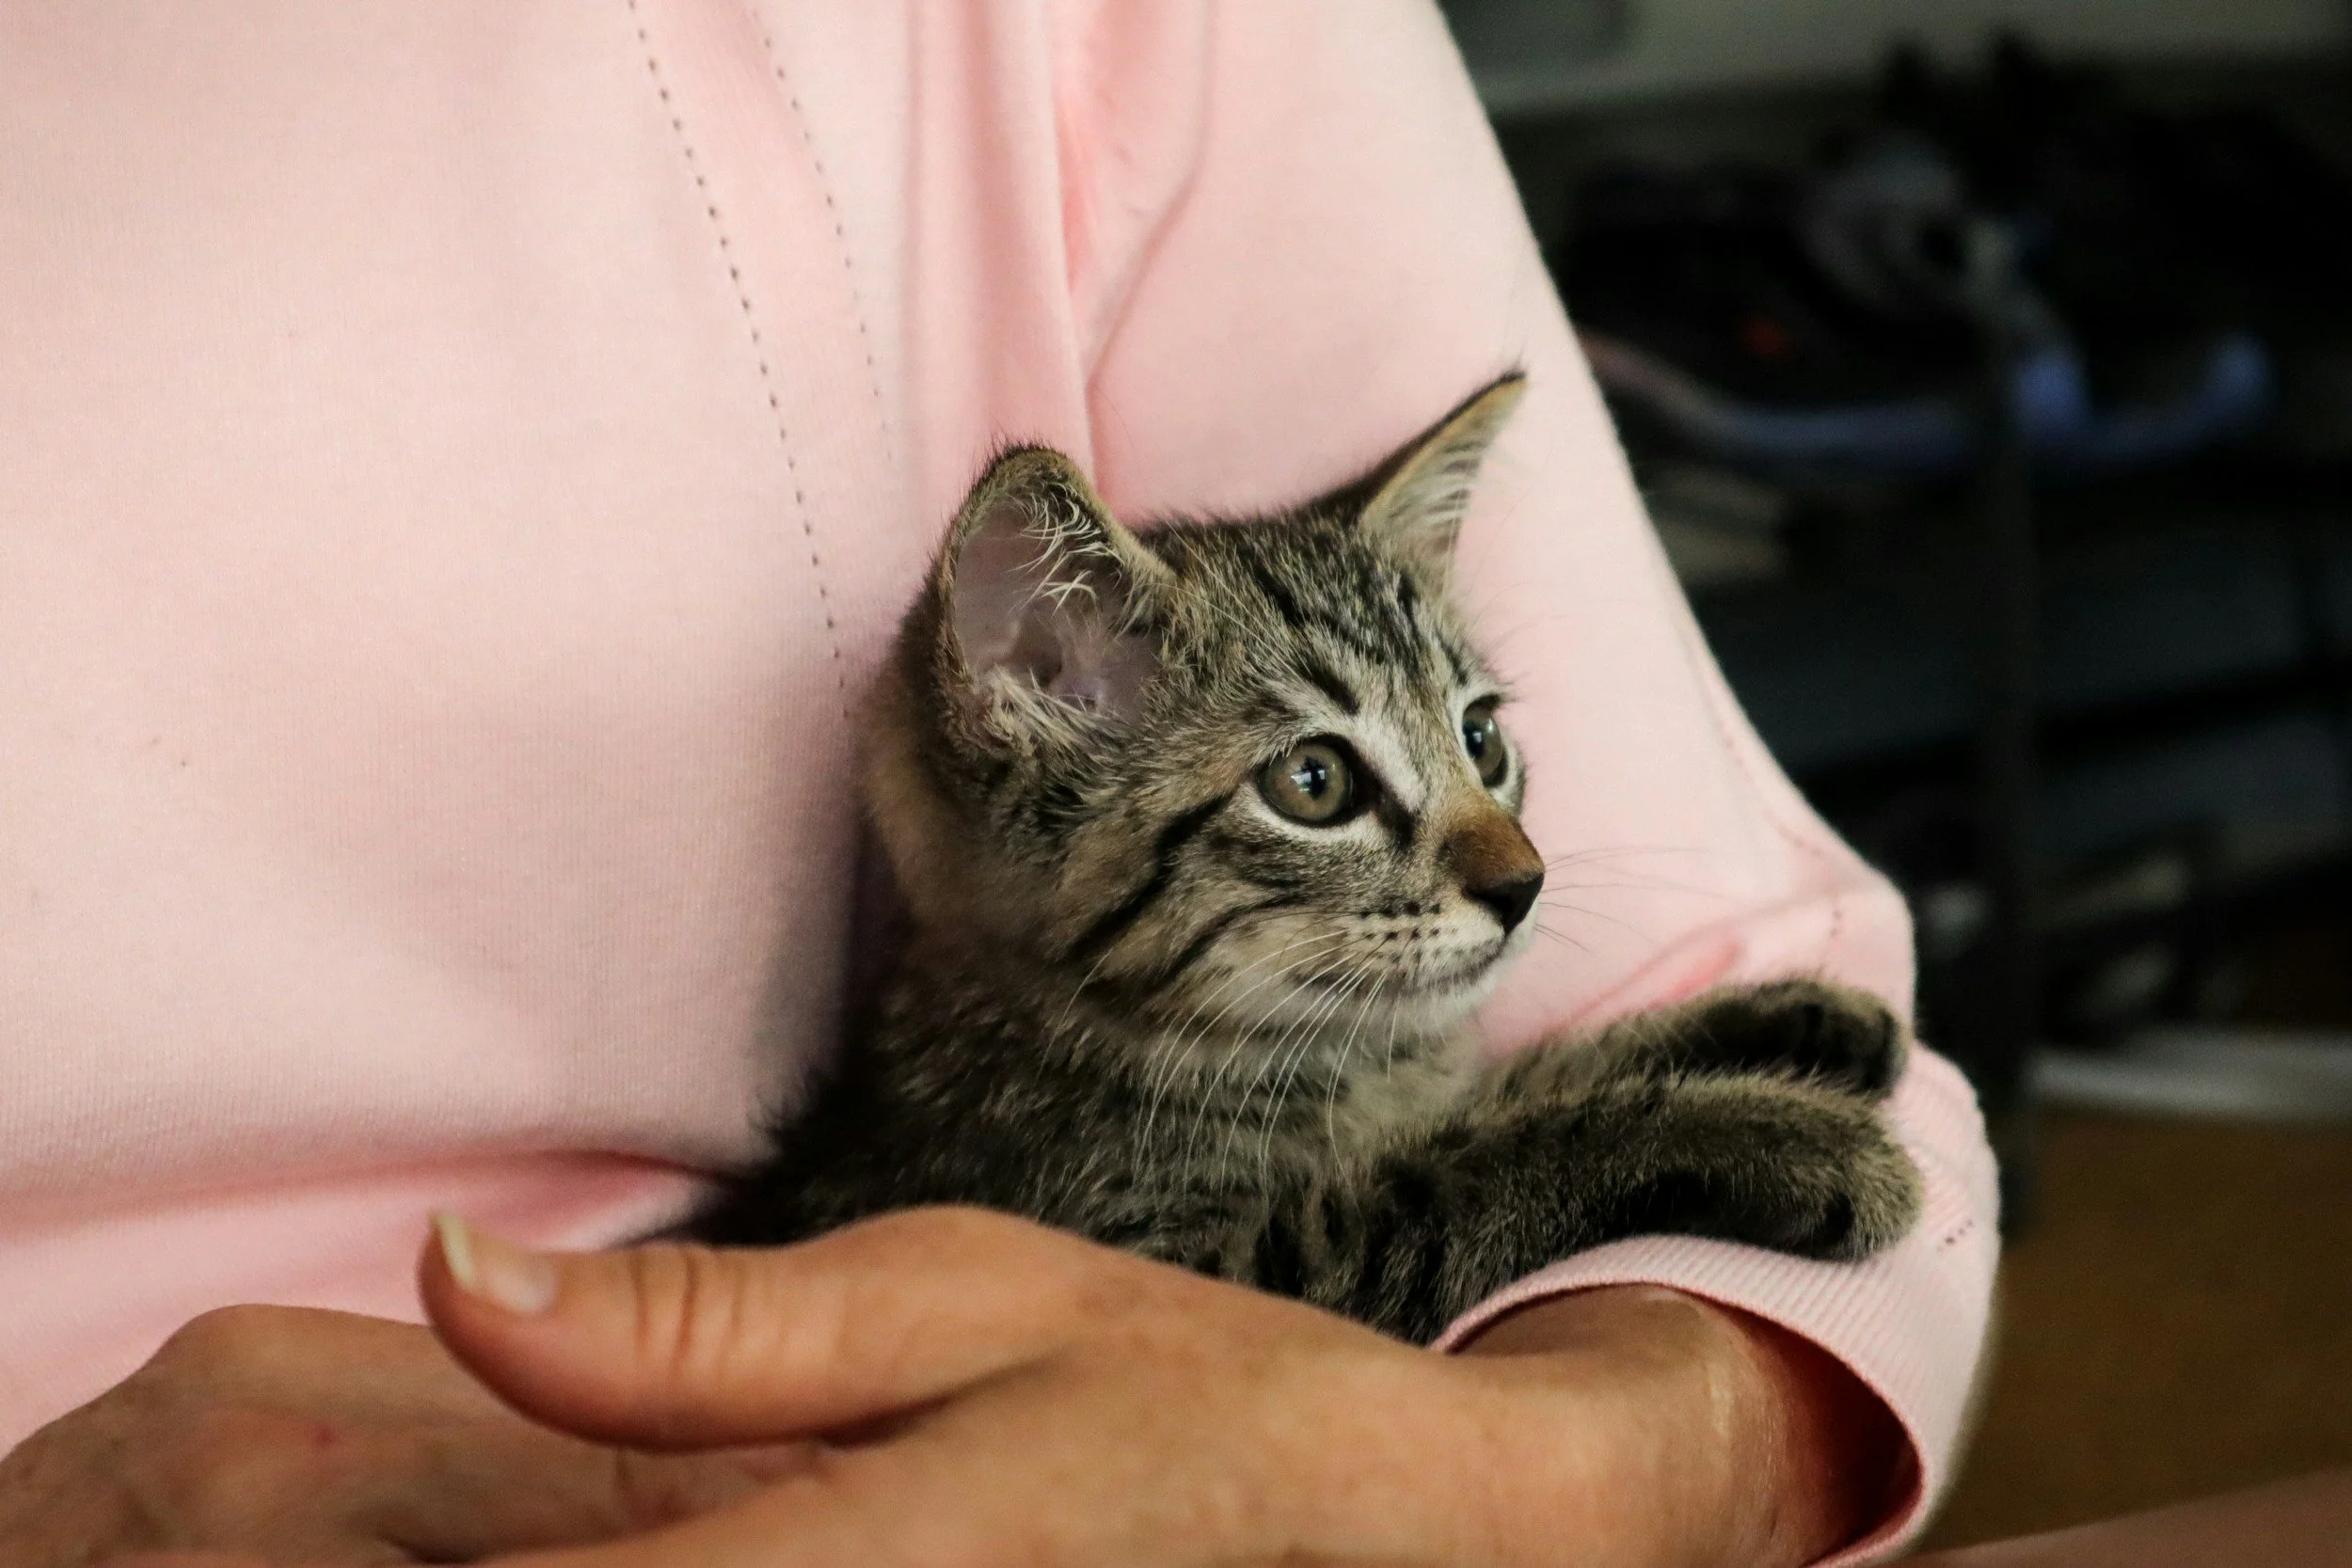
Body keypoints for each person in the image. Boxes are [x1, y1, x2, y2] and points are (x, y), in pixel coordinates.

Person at [0, 2, 1997, 1562]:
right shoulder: (1046, 1058)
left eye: (1477, 753)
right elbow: (1263, 1276)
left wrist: (1602, 1434)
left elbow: (1759, 1035)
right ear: (1029, 702)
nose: (1490, 856)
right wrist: (1588, 1147)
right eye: (1322, 780)